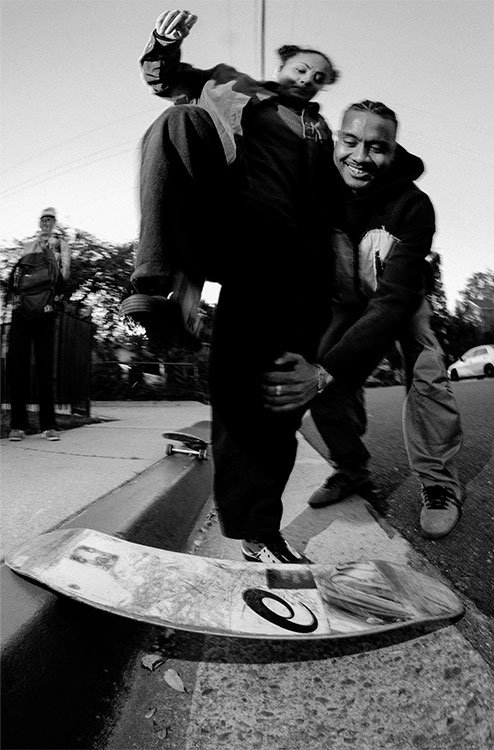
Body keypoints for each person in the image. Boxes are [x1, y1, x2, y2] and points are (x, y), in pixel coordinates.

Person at [131, 9, 342, 563]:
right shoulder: (228, 83)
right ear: (284, 63)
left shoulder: (322, 132)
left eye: (320, 78)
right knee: (176, 123)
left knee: (266, 396)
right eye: (302, 68)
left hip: (290, 264)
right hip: (229, 227)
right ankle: (157, 287)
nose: (308, 80)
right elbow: (164, 79)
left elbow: (346, 202)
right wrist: (162, 46)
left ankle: (258, 533)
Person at [262, 101, 464, 539]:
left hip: (401, 296)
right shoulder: (316, 189)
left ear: (393, 152)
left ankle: (438, 483)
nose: (359, 157)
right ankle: (352, 469)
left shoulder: (413, 206)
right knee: (318, 370)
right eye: (350, 142)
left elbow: (392, 303)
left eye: (376, 147)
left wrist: (328, 371)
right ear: (337, 141)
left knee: (426, 370)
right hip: (342, 298)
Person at [7, 207, 71, 442]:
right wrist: (16, 302)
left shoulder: (61, 244)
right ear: (39, 222)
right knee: (17, 367)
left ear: (54, 223)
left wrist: (55, 302)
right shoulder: (29, 244)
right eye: (43, 220)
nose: (46, 223)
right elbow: (19, 274)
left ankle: (48, 424)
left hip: (45, 310)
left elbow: (65, 273)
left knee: (45, 368)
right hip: (22, 311)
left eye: (50, 220)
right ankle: (18, 425)